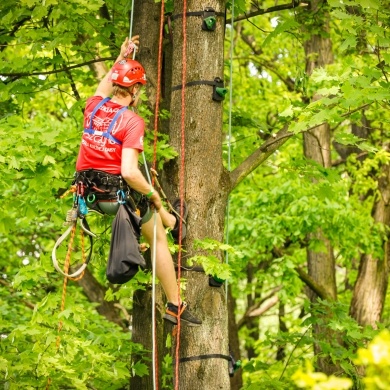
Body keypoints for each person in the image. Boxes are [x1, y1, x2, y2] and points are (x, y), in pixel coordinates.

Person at [74, 37, 201, 327]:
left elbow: (104, 84)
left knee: (151, 209)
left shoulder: (93, 107)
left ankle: (171, 221)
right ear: (136, 89)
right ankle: (175, 304)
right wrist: (154, 196)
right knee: (156, 233)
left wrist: (121, 57)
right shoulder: (131, 121)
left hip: (90, 195)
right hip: (114, 198)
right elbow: (130, 172)